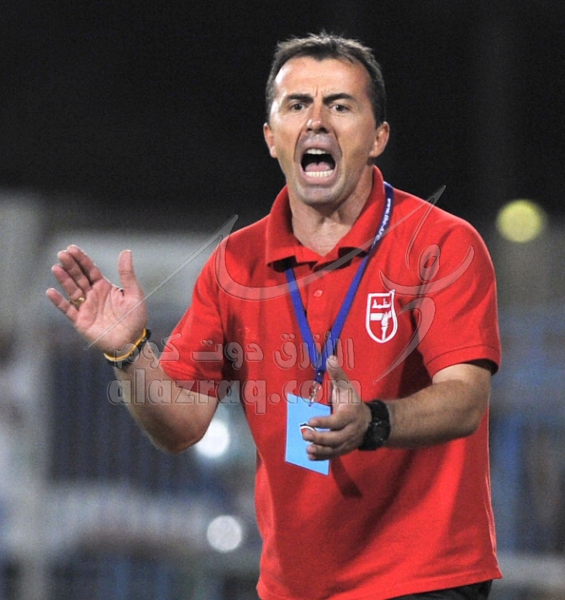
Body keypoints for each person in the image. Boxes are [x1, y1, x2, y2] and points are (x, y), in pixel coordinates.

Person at [47, 33, 501, 600]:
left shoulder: (442, 242)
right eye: (297, 105)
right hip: (293, 587)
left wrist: (373, 422)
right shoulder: (235, 263)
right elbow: (181, 426)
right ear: (271, 137)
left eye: (340, 105)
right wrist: (130, 351)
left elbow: (464, 399)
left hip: (424, 578)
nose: (317, 121)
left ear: (378, 137)